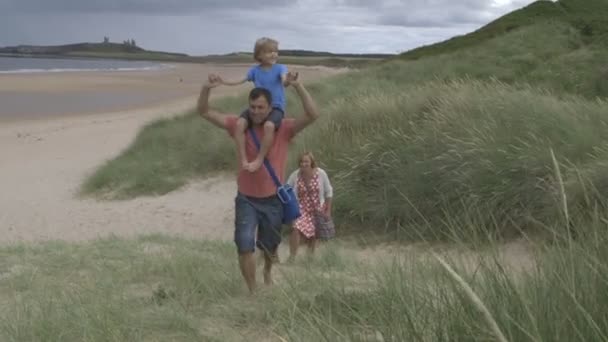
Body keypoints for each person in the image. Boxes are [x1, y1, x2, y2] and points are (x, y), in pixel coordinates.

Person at [197, 71, 319, 294]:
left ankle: (268, 272)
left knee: (269, 246)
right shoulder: (238, 126)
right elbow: (204, 111)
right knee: (244, 246)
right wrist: (206, 88)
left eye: (261, 107)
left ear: (270, 108)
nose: (255, 112)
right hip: (246, 199)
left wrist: (298, 86)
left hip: (273, 200)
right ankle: (252, 290)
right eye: (252, 107)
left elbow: (312, 115)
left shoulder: (283, 128)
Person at [214, 37, 291, 173]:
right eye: (269, 51)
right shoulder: (254, 71)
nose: (273, 54)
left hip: (275, 107)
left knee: (268, 126)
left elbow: (284, 80)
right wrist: (223, 81)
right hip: (257, 108)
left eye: (275, 51)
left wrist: (288, 81)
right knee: (239, 124)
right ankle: (243, 159)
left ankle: (259, 158)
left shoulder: (280, 68)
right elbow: (240, 80)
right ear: (259, 55)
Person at [286, 152, 334, 262]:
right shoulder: (296, 175)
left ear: (311, 162)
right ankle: (292, 257)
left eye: (306, 161)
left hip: (317, 208)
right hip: (301, 208)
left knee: (314, 234)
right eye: (302, 162)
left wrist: (328, 210)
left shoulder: (321, 173)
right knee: (296, 228)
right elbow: (287, 188)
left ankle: (310, 258)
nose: (304, 164)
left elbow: (329, 192)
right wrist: (289, 206)